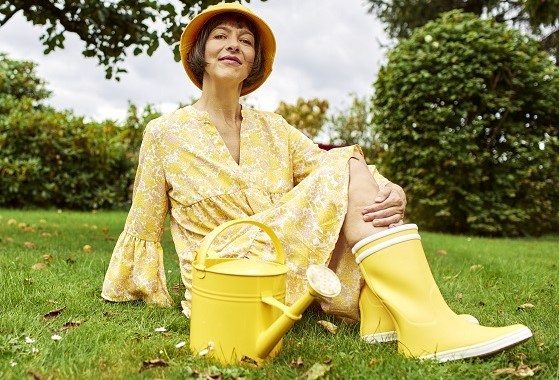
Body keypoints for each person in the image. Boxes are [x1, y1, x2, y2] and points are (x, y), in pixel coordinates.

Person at [102, 2, 531, 362]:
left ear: (254, 62)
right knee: (343, 162)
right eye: (220, 36)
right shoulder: (165, 133)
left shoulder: (275, 128)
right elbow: (144, 223)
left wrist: (392, 190)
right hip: (226, 279)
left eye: (246, 40)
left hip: (283, 264)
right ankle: (415, 319)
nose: (234, 44)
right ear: (200, 52)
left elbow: (343, 175)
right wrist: (134, 287)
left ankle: (400, 315)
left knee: (346, 164)